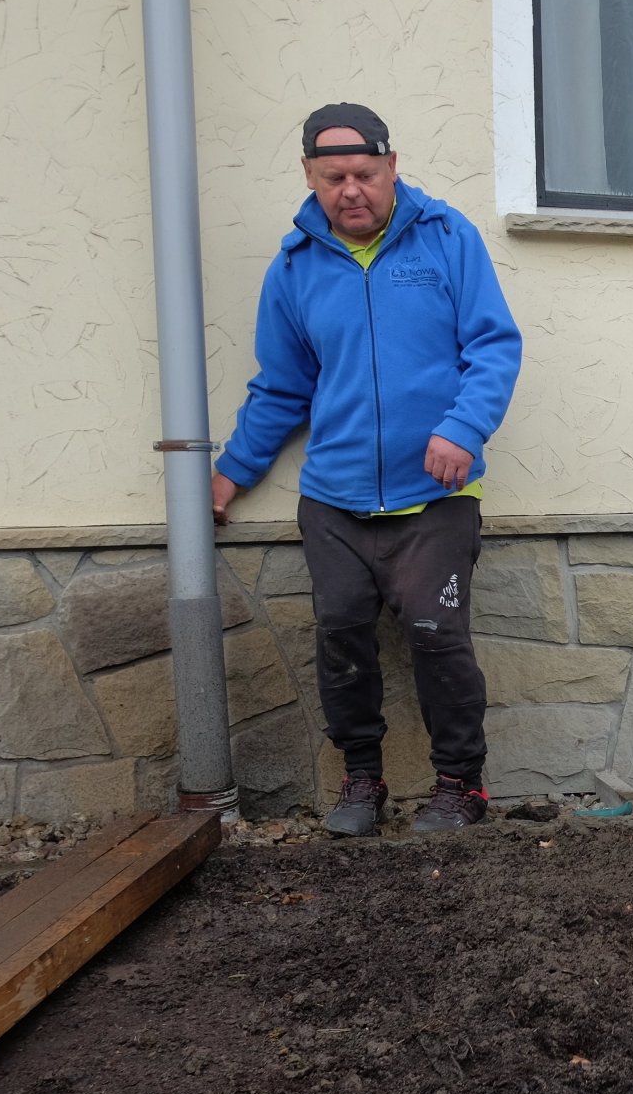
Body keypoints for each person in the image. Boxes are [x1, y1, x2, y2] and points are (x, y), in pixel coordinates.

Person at [211, 103, 522, 836]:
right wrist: (230, 473)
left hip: (435, 495)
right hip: (335, 501)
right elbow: (282, 387)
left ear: (391, 167)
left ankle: (460, 786)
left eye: (364, 174)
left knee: (437, 635)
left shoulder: (447, 237)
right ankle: (361, 782)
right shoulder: (294, 268)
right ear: (309, 177)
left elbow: (494, 346)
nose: (351, 190)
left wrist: (462, 428)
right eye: (333, 178)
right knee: (341, 635)